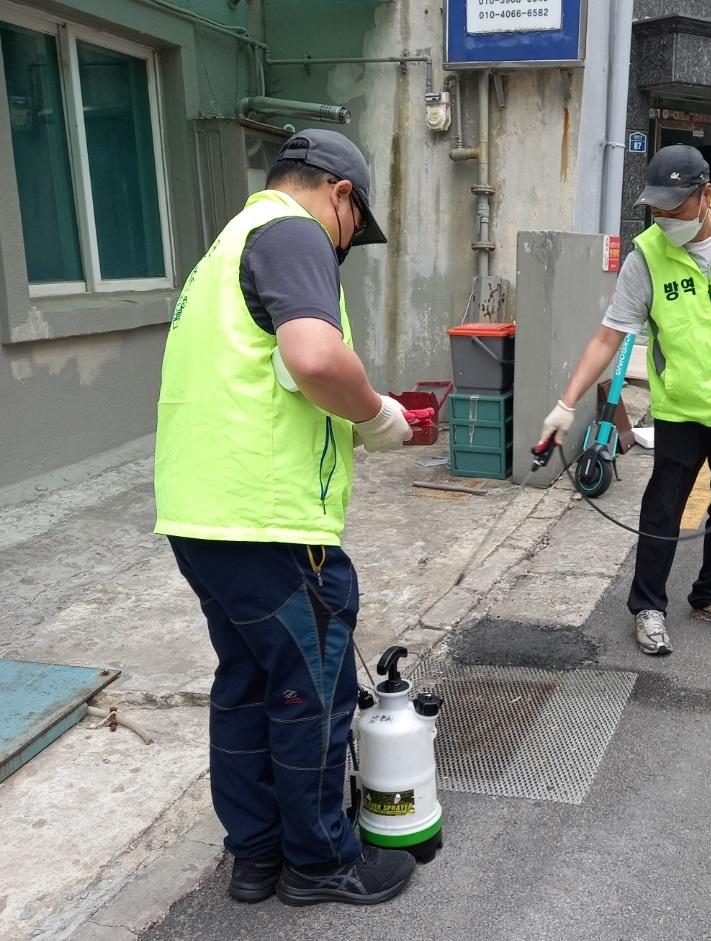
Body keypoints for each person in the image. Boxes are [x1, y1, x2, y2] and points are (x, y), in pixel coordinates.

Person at [154, 129, 417, 906]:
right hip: (268, 520)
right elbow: (313, 357)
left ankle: (256, 855)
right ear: (340, 194)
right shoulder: (293, 231)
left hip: (202, 516)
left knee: (246, 682)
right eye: (352, 227)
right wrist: (374, 416)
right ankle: (319, 859)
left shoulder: (222, 249)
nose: (343, 245)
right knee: (312, 689)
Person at [539, 144, 711, 656]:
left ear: (706, 195)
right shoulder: (647, 256)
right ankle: (648, 608)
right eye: (655, 208)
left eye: (674, 207)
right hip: (683, 407)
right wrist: (566, 403)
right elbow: (608, 337)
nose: (664, 219)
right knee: (663, 508)